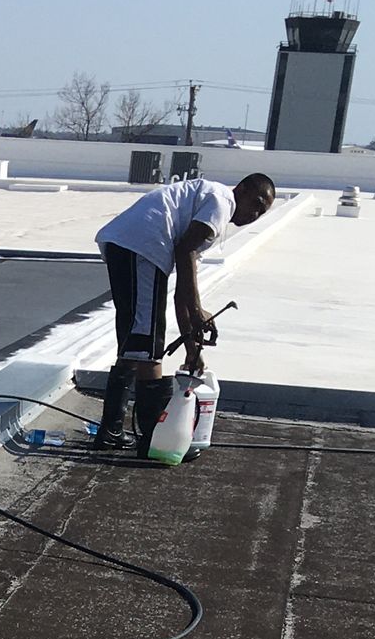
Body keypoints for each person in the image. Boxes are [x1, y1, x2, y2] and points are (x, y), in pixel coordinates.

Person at [92, 170, 276, 454]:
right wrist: (198, 310)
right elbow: (184, 252)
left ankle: (112, 431)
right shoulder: (221, 201)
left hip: (130, 244)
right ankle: (155, 439)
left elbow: (183, 291)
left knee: (136, 340)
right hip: (144, 245)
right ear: (241, 189)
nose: (255, 214)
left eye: (262, 212)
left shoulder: (204, 210)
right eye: (256, 204)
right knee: (147, 343)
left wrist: (192, 348)